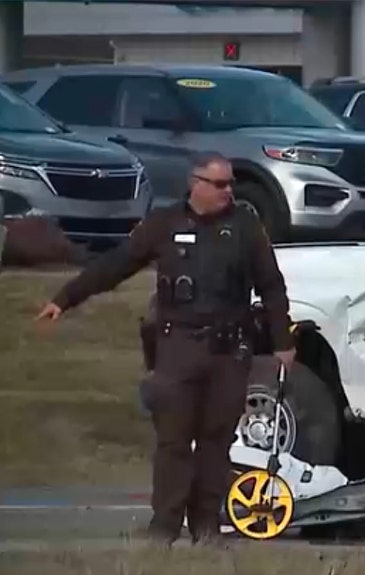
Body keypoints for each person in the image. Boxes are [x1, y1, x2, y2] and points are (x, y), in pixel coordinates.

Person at [34, 151, 295, 546]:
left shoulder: (245, 226)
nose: (229, 191)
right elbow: (117, 264)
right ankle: (164, 527)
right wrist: (66, 298)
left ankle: (206, 526)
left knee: (216, 441)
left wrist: (282, 343)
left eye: (231, 184)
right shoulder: (165, 224)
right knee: (174, 440)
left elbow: (272, 287)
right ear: (196, 184)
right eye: (220, 184)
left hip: (229, 350)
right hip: (178, 347)